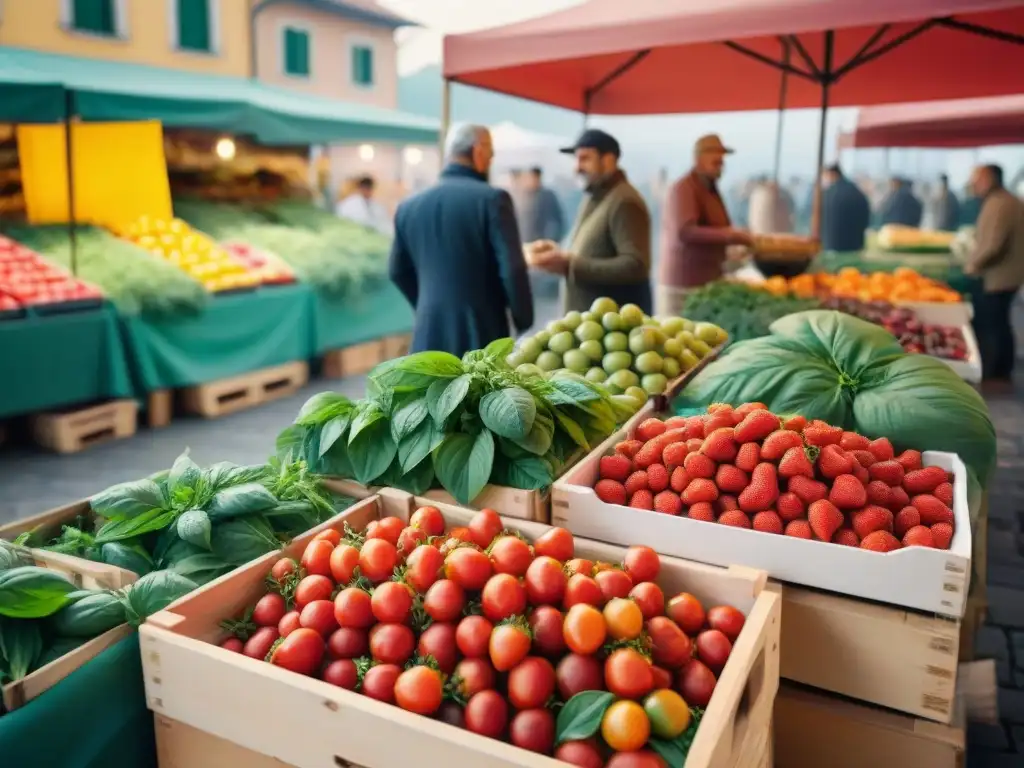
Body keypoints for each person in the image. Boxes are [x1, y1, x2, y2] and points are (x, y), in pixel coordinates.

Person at [389, 124, 534, 357]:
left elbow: (397, 271)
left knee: (430, 393)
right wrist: (524, 320)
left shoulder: (408, 207)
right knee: (480, 394)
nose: (491, 160)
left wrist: (428, 305)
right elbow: (513, 268)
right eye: (490, 153)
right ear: (478, 151)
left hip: (428, 335)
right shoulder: (493, 200)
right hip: (480, 333)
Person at [526, 129, 652, 313]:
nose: (577, 167)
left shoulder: (625, 201)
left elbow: (635, 266)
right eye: (576, 159)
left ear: (608, 160)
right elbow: (592, 250)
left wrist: (569, 264)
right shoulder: (595, 196)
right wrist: (557, 255)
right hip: (589, 327)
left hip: (612, 331)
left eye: (585, 158)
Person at [656, 134, 752, 316]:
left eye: (722, 160)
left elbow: (717, 228)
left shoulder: (710, 189)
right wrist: (731, 235)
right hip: (682, 289)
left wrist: (731, 249)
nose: (721, 163)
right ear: (698, 158)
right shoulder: (684, 188)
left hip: (706, 285)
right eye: (715, 159)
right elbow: (685, 232)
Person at [964, 163, 1024, 387]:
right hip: (1006, 274)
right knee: (999, 322)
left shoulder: (1001, 204)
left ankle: (995, 372)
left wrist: (972, 265)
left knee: (993, 324)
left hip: (999, 276)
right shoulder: (1005, 201)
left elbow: (993, 244)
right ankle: (1000, 370)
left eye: (978, 179)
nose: (974, 185)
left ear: (990, 179)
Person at [820, 164, 871, 252]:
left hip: (832, 245)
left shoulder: (828, 194)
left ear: (831, 174)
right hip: (855, 246)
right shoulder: (856, 191)